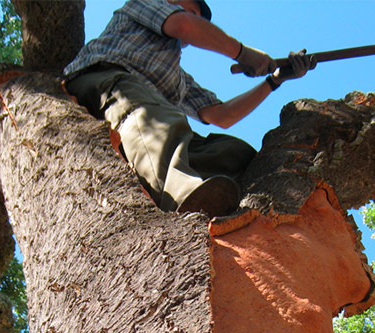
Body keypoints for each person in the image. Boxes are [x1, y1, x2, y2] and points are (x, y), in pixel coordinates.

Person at [63, 0, 316, 218]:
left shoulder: (177, 78)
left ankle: (240, 200)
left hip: (151, 110)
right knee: (158, 119)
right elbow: (183, 25)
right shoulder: (141, 6)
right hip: (102, 83)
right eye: (191, 10)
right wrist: (241, 52)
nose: (194, 19)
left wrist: (275, 80)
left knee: (234, 152)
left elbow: (221, 115)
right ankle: (181, 193)